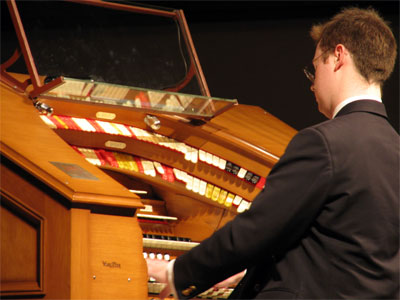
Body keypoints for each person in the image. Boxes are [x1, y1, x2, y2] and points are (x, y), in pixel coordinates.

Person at [147, 6, 399, 299]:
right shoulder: (394, 148)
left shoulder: (324, 143)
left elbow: (256, 230)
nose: (313, 83)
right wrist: (249, 270)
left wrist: (177, 273)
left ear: (339, 57)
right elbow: (343, 248)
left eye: (315, 66)